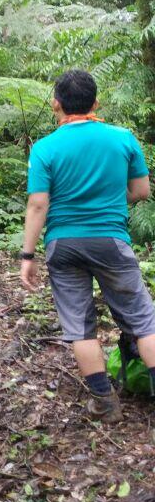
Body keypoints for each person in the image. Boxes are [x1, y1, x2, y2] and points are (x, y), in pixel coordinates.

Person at [20, 69, 155, 421]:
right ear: (96, 102)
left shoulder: (45, 148)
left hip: (63, 245)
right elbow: (141, 192)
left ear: (56, 104)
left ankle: (105, 402)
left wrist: (27, 255)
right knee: (143, 321)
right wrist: (110, 201)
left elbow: (38, 204)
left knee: (79, 326)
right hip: (111, 240)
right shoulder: (123, 138)